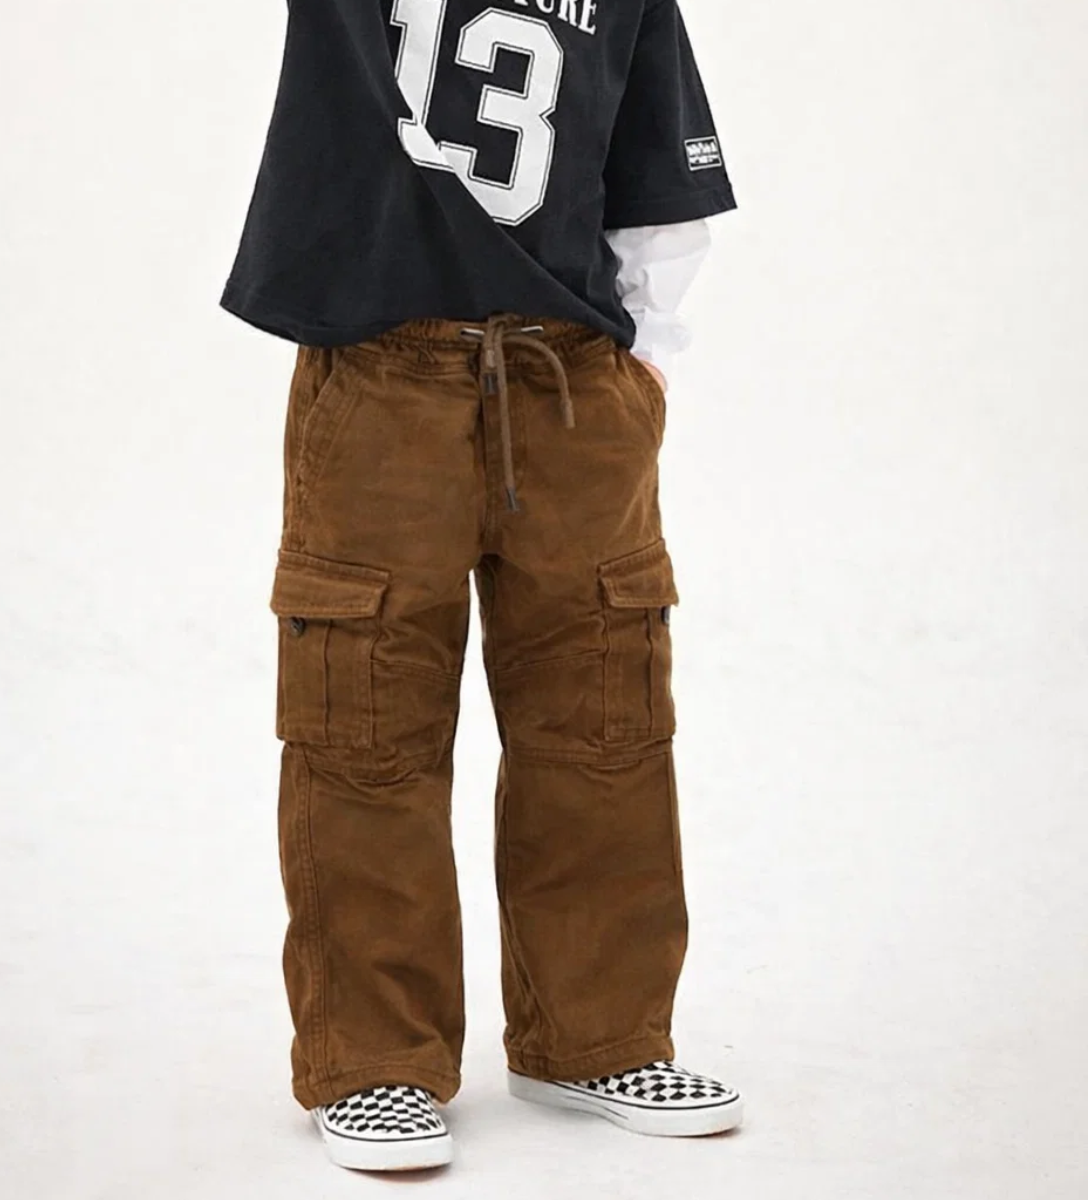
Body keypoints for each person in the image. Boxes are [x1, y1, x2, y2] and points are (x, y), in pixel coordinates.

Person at [220, 0, 743, 1172]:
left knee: (602, 712)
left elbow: (658, 166)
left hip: (574, 375)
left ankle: (597, 1038)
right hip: (381, 371)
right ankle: (375, 1059)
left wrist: (644, 359)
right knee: (363, 722)